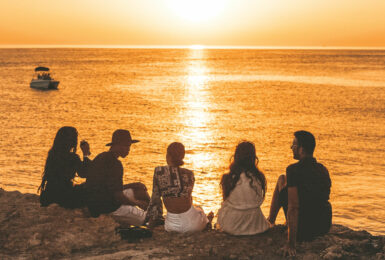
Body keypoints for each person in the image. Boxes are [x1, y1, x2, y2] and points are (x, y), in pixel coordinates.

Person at [267, 130, 332, 256]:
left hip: (303, 231)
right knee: (287, 182)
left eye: (294, 145)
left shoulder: (293, 170)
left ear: (301, 149)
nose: (291, 148)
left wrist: (291, 243)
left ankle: (271, 221)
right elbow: (322, 197)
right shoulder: (323, 169)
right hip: (322, 227)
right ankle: (272, 221)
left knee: (281, 179)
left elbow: (293, 207)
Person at [84, 129, 150, 226]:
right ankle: (151, 216)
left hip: (97, 201)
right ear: (116, 146)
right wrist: (137, 203)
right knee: (150, 219)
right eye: (126, 146)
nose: (128, 149)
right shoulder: (116, 164)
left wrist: (133, 185)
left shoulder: (101, 156)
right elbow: (118, 196)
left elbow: (109, 187)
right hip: (108, 207)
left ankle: (153, 211)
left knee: (139, 190)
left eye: (129, 146)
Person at [146, 142, 213, 233]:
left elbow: (155, 200)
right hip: (192, 226)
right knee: (199, 209)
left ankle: (204, 219)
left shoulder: (159, 171)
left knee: (195, 210)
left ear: (168, 155)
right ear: (183, 156)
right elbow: (188, 199)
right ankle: (207, 221)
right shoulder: (189, 174)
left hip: (171, 226)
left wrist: (150, 226)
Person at [216, 141, 270, 235]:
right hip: (255, 224)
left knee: (224, 208)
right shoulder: (258, 177)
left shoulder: (228, 178)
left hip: (232, 225)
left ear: (236, 157)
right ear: (253, 158)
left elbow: (225, 201)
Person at [38, 126, 91, 208]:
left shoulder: (52, 154)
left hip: (48, 195)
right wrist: (86, 154)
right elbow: (84, 173)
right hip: (64, 197)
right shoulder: (72, 157)